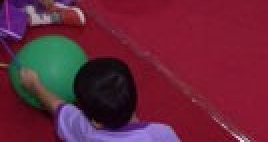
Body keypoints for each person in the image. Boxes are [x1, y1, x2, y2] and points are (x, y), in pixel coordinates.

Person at [18, 57, 181, 142]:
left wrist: (35, 86)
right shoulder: (160, 134)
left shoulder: (85, 130)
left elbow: (57, 107)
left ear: (95, 121)